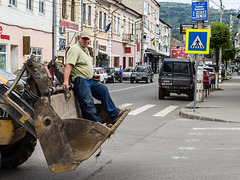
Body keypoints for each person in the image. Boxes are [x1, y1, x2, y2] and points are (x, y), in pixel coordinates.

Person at [63, 31, 122, 123]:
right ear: (79, 39)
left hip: (90, 79)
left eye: (87, 39)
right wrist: (66, 82)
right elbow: (69, 66)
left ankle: (114, 113)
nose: (86, 41)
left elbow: (83, 65)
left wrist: (92, 75)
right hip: (81, 80)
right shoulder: (75, 49)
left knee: (103, 90)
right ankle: (98, 123)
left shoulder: (86, 50)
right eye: (84, 39)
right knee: (88, 102)